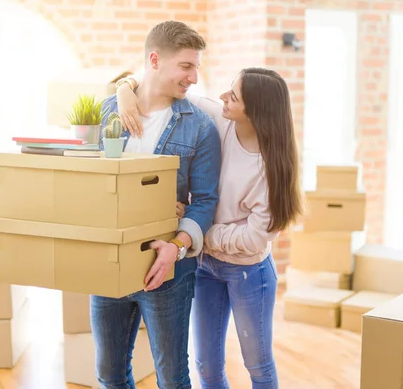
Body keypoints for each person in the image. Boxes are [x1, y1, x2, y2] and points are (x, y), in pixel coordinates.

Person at [117, 67, 303, 389]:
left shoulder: (271, 170)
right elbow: (165, 81)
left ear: (255, 110)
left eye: (234, 95)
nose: (222, 97)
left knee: (257, 365)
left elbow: (254, 237)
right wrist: (124, 89)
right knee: (206, 364)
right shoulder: (220, 119)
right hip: (206, 266)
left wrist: (196, 227)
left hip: (248, 272)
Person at [92, 20, 221, 389]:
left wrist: (176, 248)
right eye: (186, 66)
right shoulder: (107, 114)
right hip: (108, 265)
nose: (194, 77)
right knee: (110, 374)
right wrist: (124, 87)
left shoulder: (199, 127)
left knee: (173, 379)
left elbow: (205, 200)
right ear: (154, 60)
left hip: (168, 272)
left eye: (196, 67)